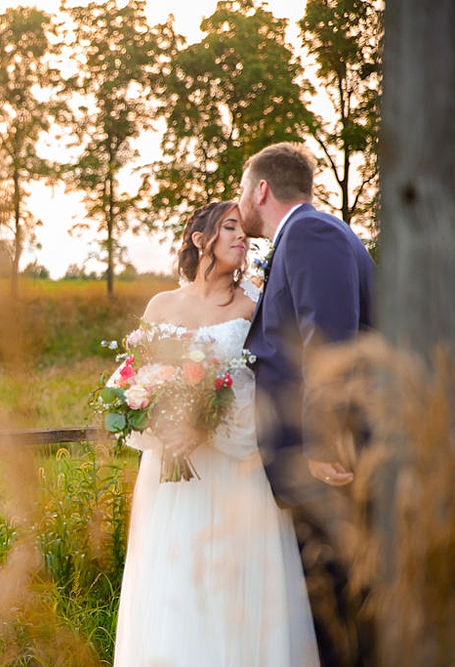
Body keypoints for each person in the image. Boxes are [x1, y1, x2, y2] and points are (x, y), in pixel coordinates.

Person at [112, 201, 319, 666]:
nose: (240, 237)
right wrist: (163, 422)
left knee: (235, 584)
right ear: (199, 239)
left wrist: (203, 423)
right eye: (229, 228)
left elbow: (267, 385)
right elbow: (132, 378)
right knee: (175, 583)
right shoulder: (161, 305)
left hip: (233, 470)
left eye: (243, 231)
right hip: (172, 482)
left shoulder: (255, 304)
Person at [238, 142, 376, 666]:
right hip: (317, 463)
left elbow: (330, 342)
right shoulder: (306, 235)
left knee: (340, 612)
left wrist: (321, 441)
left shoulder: (311, 233)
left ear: (262, 189)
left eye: (241, 191)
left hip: (329, 462)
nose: (240, 203)